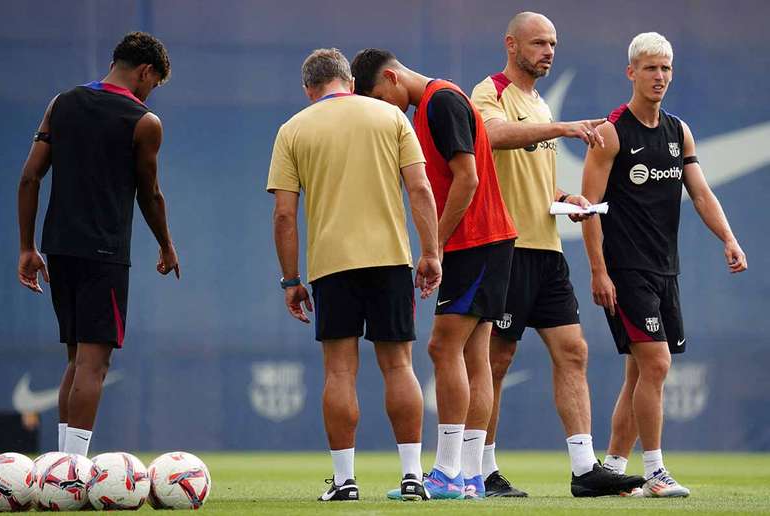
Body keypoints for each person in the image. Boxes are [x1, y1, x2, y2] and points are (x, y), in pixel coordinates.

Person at [470, 11, 645, 497]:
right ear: (511, 44)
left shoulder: (540, 104)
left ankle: (585, 469)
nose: (548, 51)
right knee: (496, 361)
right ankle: (482, 470)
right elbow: (492, 137)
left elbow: (537, 180)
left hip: (546, 250)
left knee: (574, 351)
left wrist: (567, 200)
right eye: (539, 43)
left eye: (553, 43)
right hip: (505, 249)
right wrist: (563, 129)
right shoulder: (489, 92)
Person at [267, 48, 442, 502]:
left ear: (309, 89)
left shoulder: (293, 129)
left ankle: (345, 482)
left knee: (339, 372)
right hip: (389, 261)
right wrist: (431, 253)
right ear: (347, 79)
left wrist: (291, 281)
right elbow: (420, 188)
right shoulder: (390, 117)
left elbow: (285, 216)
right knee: (399, 365)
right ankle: (412, 478)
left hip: (331, 265)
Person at [581, 32, 748, 498]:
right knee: (656, 364)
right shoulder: (612, 132)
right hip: (625, 269)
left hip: (665, 269)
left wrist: (729, 239)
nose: (659, 77)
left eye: (666, 68)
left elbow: (699, 192)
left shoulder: (679, 131)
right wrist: (599, 270)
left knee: (640, 372)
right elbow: (588, 207)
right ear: (631, 72)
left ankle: (615, 468)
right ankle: (655, 471)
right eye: (650, 68)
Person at [352, 48, 517, 499]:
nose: (384, 110)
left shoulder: (440, 102)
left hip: (475, 242)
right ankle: (466, 477)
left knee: (443, 346)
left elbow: (468, 178)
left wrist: (435, 246)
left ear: (390, 77)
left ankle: (447, 471)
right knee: (472, 355)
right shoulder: (431, 105)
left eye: (378, 99)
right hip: (483, 241)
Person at [17, 31, 179, 458]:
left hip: (57, 249)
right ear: (145, 72)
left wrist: (26, 247)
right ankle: (71, 471)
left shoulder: (61, 103)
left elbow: (30, 177)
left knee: (75, 359)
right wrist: (166, 244)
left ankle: (58, 468)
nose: (150, 93)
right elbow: (151, 194)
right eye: (154, 84)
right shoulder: (144, 122)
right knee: (95, 363)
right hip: (103, 254)